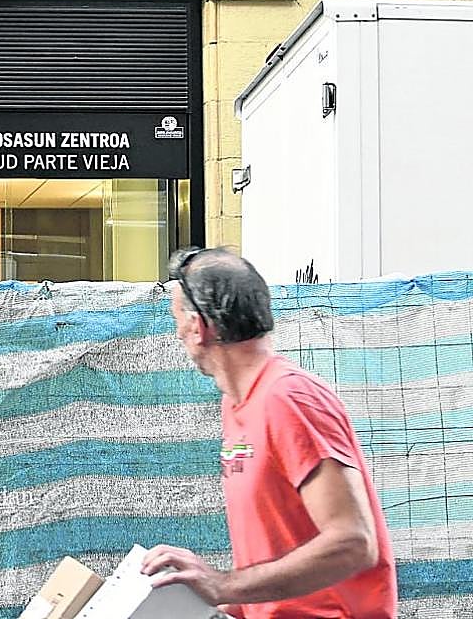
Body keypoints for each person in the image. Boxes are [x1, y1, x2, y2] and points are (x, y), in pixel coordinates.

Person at [140, 247, 396, 618]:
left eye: (176, 318)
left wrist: (223, 585)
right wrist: (205, 600)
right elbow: (276, 549)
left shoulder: (289, 398)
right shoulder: (239, 403)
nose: (176, 332)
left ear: (198, 328)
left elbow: (354, 542)